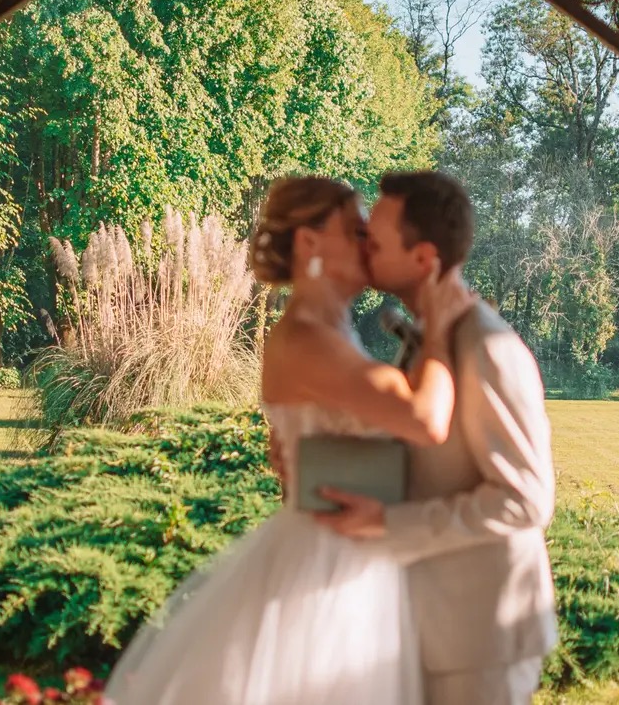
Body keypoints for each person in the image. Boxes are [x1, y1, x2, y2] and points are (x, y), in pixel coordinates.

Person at [102, 175, 474, 705]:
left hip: (352, 553)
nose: (369, 241)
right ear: (309, 242)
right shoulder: (304, 336)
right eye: (355, 229)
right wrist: (439, 320)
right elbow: (425, 418)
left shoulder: (333, 327)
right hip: (323, 562)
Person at [317, 170, 558, 705]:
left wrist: (388, 524)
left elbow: (526, 499)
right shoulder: (434, 339)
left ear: (423, 259)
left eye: (373, 241)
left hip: (479, 638)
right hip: (429, 628)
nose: (362, 246)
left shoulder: (486, 348)